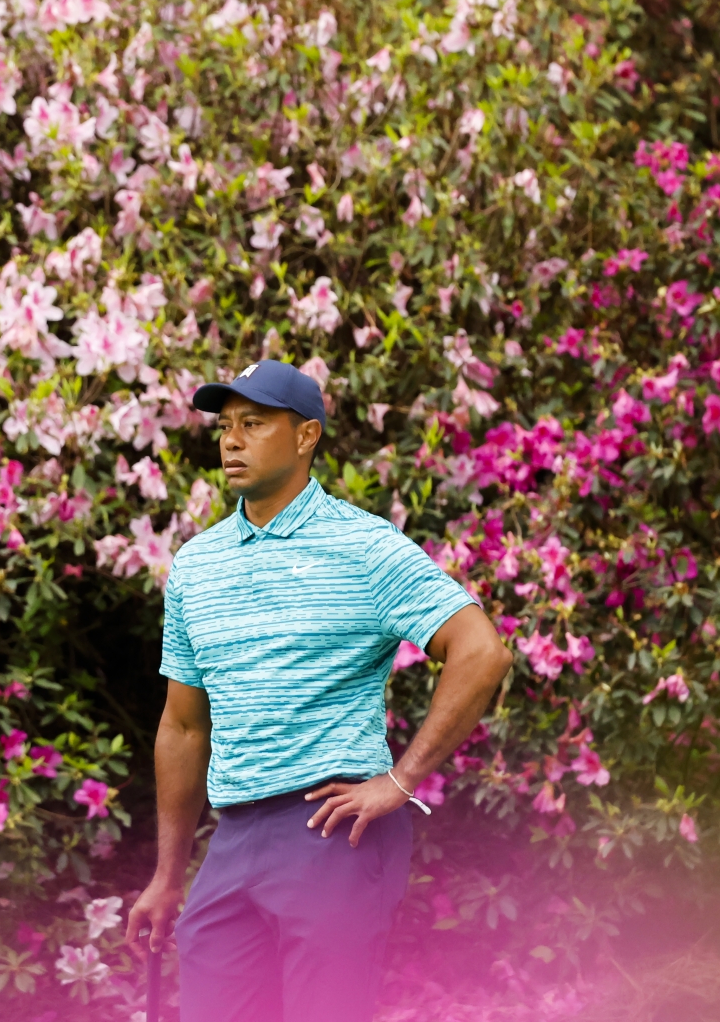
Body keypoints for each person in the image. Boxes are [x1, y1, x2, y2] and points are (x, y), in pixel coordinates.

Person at [123, 360, 514, 1022]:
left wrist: (401, 779)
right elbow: (185, 727)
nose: (233, 440)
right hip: (234, 836)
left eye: (254, 423)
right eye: (227, 425)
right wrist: (167, 875)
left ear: (306, 436)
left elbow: (480, 651)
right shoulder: (196, 564)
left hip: (331, 832)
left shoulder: (364, 547)